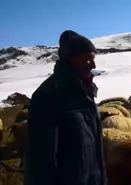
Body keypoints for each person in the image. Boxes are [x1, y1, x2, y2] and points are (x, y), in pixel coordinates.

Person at [24, 30, 107, 185]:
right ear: (71, 60)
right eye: (87, 59)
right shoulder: (48, 96)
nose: (94, 65)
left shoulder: (86, 92)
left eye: (94, 58)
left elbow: (95, 152)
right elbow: (40, 164)